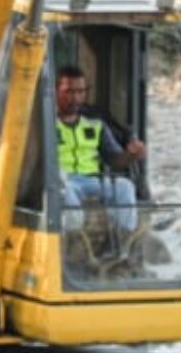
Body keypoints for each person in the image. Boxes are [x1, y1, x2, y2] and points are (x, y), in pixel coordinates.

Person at [54, 64, 143, 239]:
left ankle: (124, 241)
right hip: (62, 182)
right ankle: (70, 243)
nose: (76, 98)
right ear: (55, 91)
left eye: (81, 92)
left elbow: (115, 159)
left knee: (125, 187)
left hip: (92, 180)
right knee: (64, 189)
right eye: (69, 92)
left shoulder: (95, 124)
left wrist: (131, 155)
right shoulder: (44, 124)